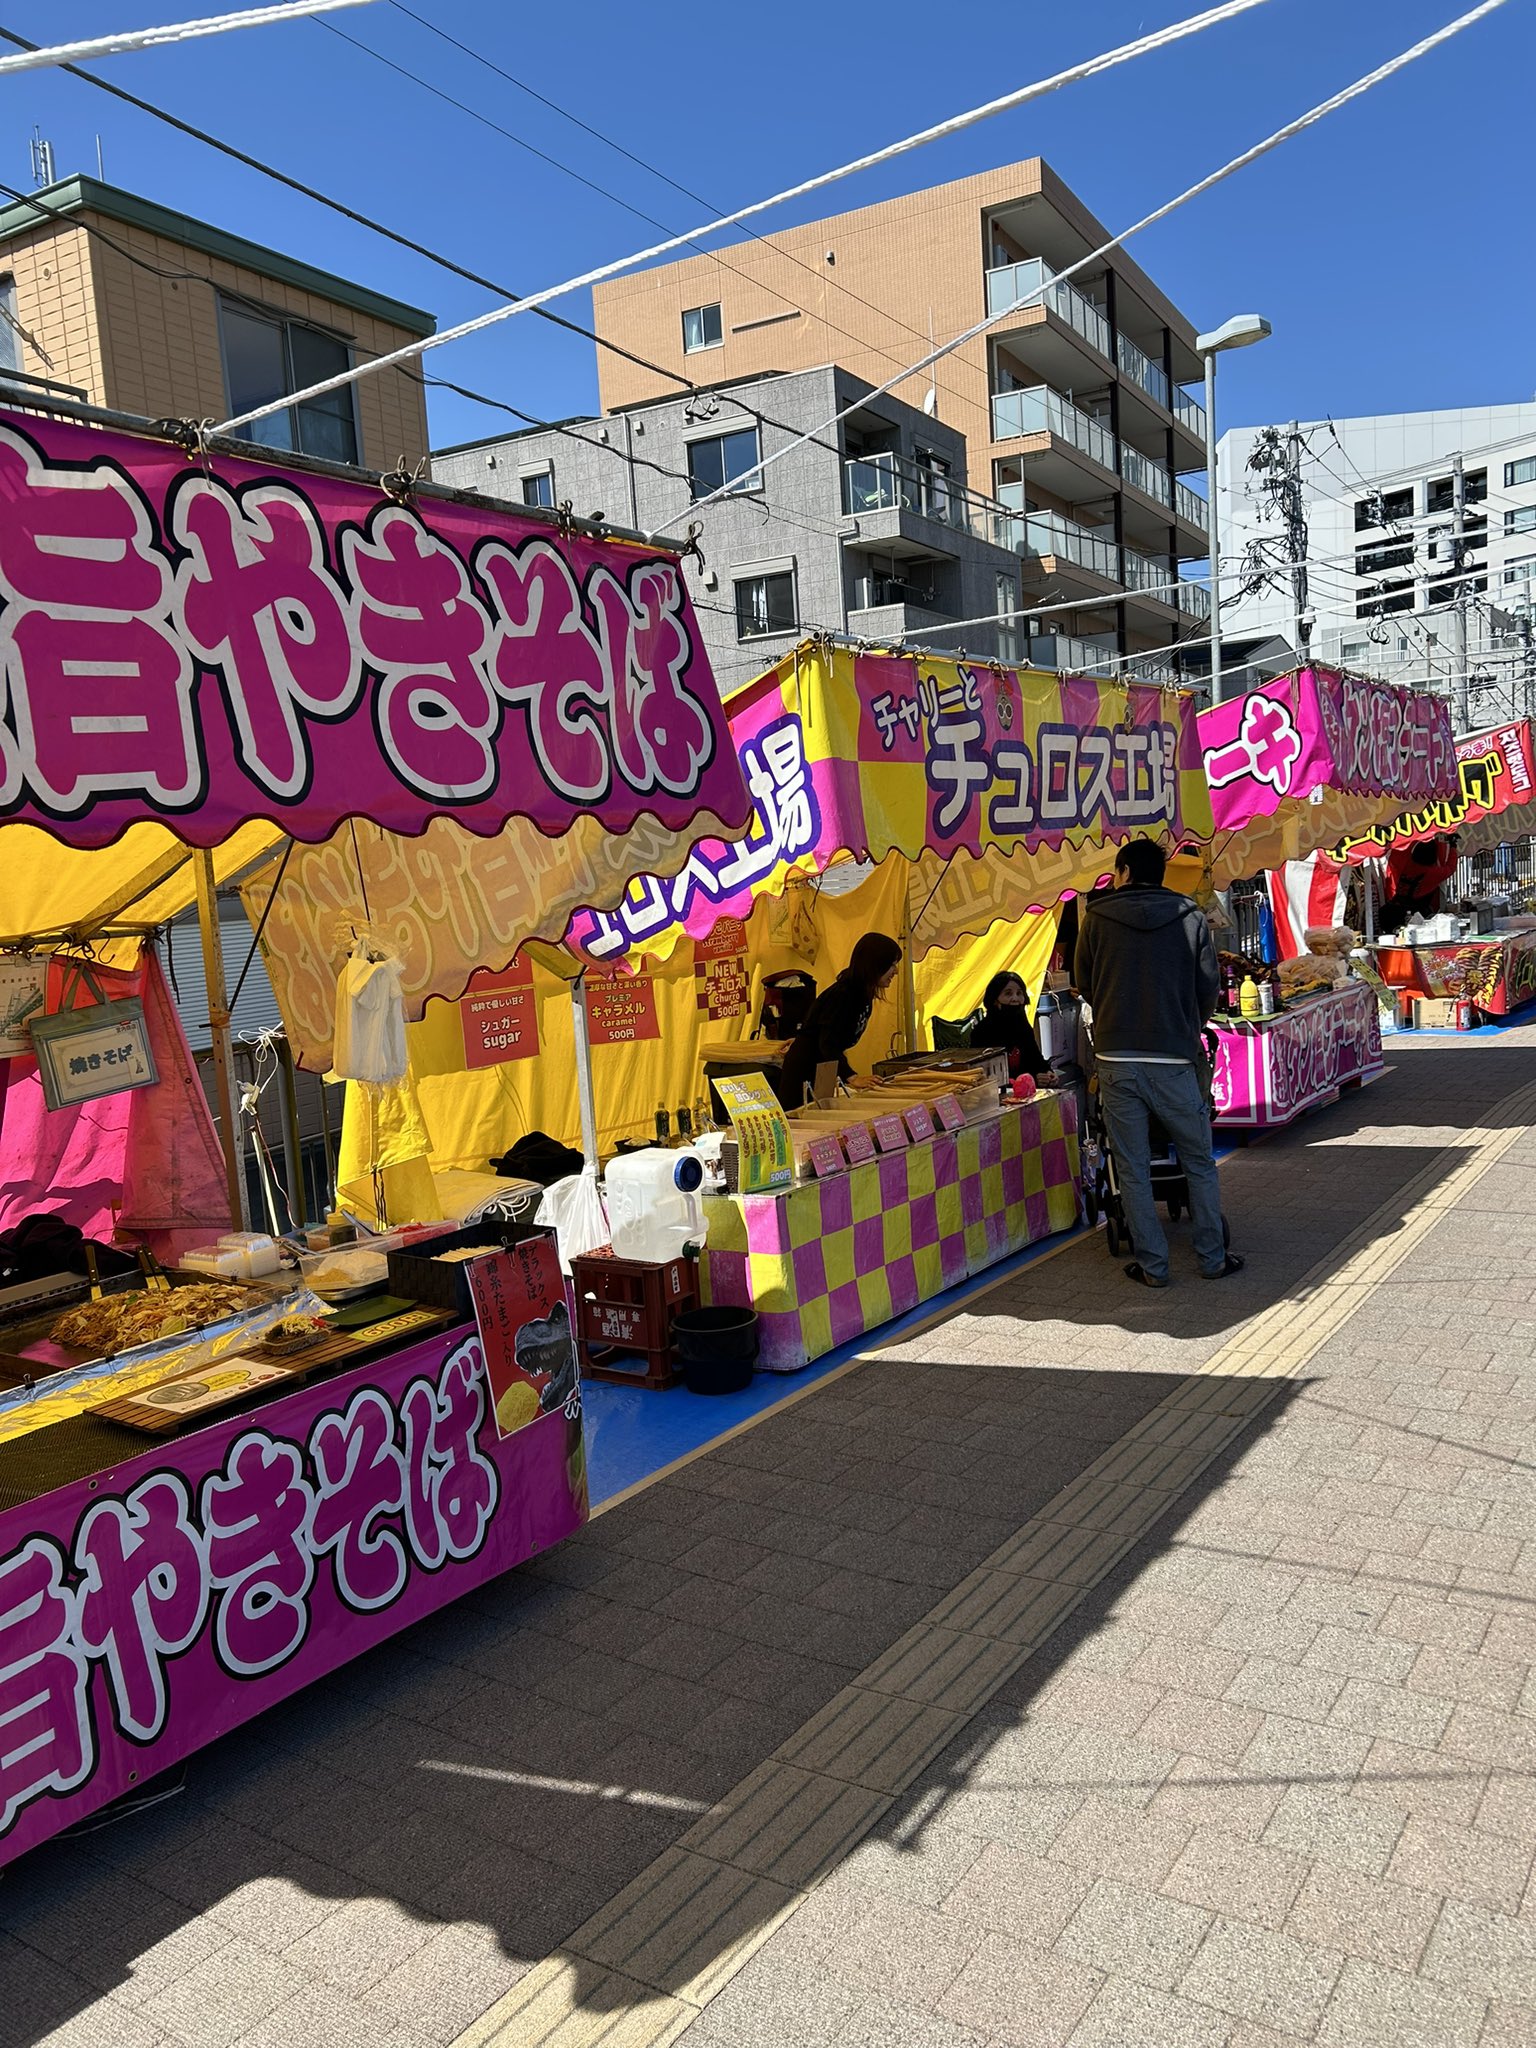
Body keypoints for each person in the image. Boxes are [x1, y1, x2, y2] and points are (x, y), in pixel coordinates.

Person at [1074, 838, 1241, 1289]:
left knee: (1131, 1167)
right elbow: (1208, 986)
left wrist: (1114, 1015)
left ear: (1123, 870)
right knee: (1198, 1161)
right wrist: (1185, 1025)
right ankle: (1212, 1259)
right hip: (1174, 1054)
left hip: (1115, 1056)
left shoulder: (1096, 918)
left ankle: (1154, 1267)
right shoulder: (1190, 916)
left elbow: (1084, 982)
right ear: (1162, 872)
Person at [773, 932, 902, 1108]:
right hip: (805, 1069)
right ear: (875, 965)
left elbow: (824, 1032)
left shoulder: (861, 993)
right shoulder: (845, 994)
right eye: (892, 965)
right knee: (803, 1117)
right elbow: (828, 1042)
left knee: (821, 1112)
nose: (896, 971)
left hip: (824, 1066)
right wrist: (853, 1077)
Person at [970, 971, 1049, 1082]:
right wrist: (1032, 1079)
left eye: (1019, 993)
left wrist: (1048, 1072)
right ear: (995, 1000)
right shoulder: (983, 1032)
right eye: (1008, 993)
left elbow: (1036, 1059)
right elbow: (989, 1076)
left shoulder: (1024, 1028)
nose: (1015, 998)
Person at [1380, 833, 1460, 929]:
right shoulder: (1432, 873)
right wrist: (1453, 846)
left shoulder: (1409, 865)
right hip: (1413, 918)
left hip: (1393, 910)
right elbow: (1450, 868)